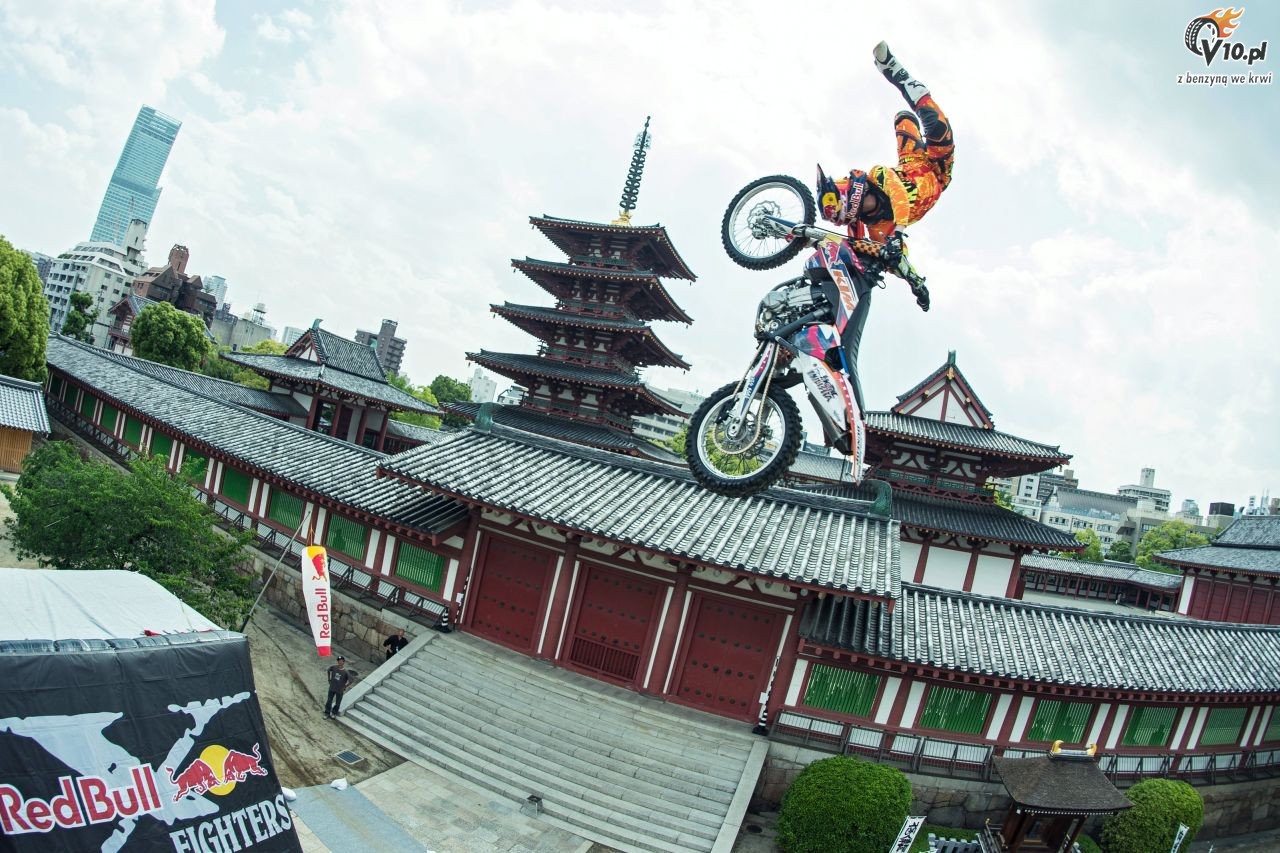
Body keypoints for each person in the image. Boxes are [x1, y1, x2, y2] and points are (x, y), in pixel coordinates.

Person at [813, 41, 955, 414]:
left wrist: (906, 253)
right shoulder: (871, 227)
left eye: (838, 204)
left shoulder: (881, 181)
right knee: (878, 251)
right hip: (924, 181)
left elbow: (898, 214)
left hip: (926, 167)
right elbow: (881, 254)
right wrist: (915, 282)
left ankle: (898, 73)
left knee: (926, 121)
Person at [816, 41, 956, 245]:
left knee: (927, 123)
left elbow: (899, 195)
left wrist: (899, 231)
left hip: (917, 160)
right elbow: (897, 259)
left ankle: (895, 71)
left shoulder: (878, 175)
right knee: (920, 122)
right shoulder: (875, 229)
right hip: (939, 175)